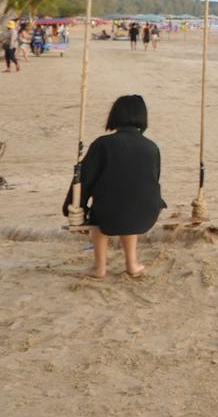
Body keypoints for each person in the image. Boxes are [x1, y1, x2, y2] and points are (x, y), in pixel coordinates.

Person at [70, 95, 165, 279]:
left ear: (114, 115)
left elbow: (83, 180)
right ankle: (132, 264)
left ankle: (99, 267)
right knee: (129, 200)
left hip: (110, 215)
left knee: (99, 216)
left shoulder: (102, 144)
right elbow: (154, 180)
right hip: (147, 213)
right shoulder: (152, 147)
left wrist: (75, 208)